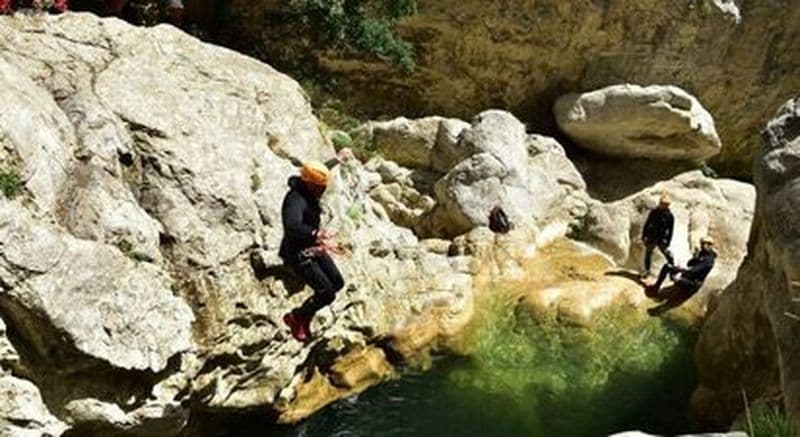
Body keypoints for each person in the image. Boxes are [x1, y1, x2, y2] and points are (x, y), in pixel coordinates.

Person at [280, 150, 353, 342]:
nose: (322, 191)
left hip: (313, 247)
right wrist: (316, 233)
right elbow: (292, 226)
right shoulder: (295, 200)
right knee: (326, 293)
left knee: (337, 283)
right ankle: (295, 318)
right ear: (308, 183)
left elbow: (320, 170)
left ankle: (306, 314)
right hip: (298, 253)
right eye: (319, 188)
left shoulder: (310, 185)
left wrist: (337, 159)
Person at [644, 236, 717, 309]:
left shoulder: (709, 260)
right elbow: (689, 263)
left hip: (693, 283)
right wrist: (695, 256)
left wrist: (680, 271)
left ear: (711, 245)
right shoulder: (702, 253)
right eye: (703, 243)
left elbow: (693, 271)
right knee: (667, 267)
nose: (704, 246)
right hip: (687, 276)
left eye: (708, 244)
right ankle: (656, 287)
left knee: (676, 278)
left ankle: (665, 301)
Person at [641, 194, 675, 278]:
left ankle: (672, 272)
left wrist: (668, 241)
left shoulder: (669, 216)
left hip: (662, 238)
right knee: (648, 254)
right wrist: (644, 235)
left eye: (665, 204)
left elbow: (671, 230)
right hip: (652, 236)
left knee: (669, 256)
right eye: (662, 203)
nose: (663, 205)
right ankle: (647, 271)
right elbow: (647, 224)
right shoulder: (654, 212)